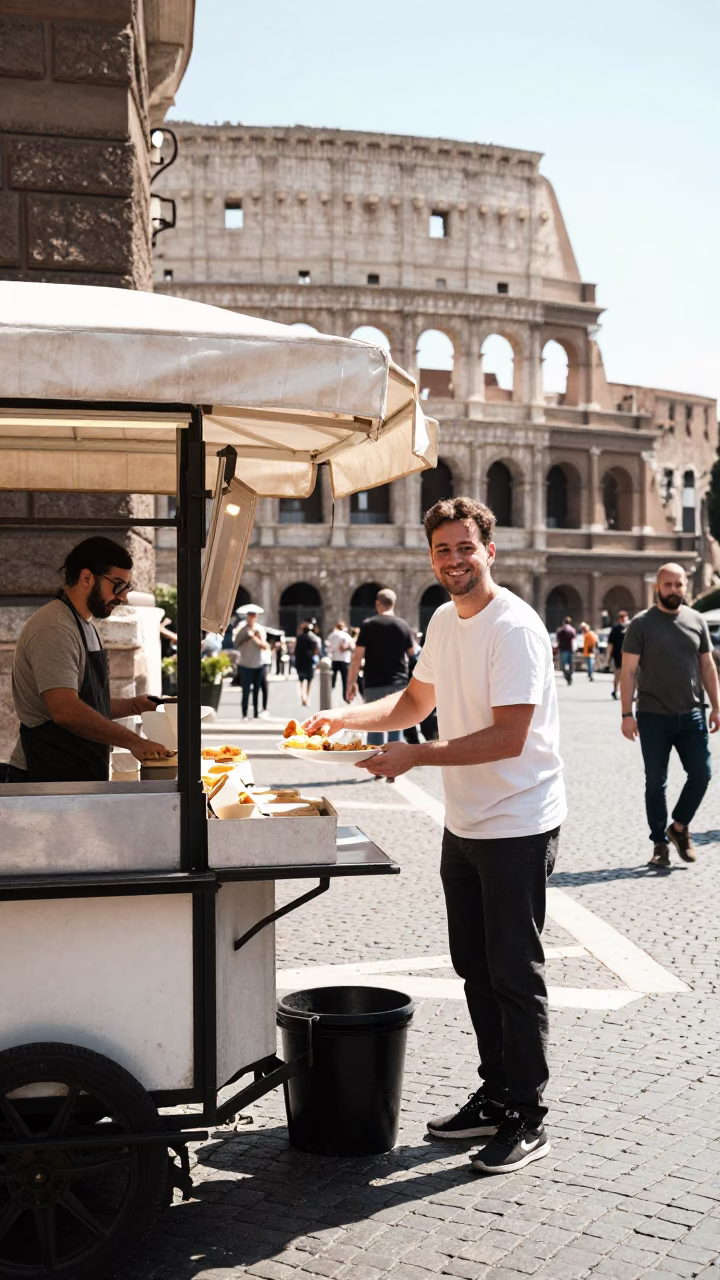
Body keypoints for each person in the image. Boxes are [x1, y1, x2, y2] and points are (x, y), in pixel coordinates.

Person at [306, 497, 565, 1175]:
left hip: (518, 818)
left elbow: (509, 738)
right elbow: (414, 703)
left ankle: (528, 1115)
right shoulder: (446, 620)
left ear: (490, 551)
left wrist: (415, 755)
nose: (454, 560)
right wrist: (345, 717)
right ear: (431, 559)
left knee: (514, 970)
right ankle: (496, 1094)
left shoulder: (515, 628)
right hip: (466, 821)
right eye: (443, 550)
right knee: (474, 966)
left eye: (465, 548)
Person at [7, 537, 175, 783]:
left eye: (127, 587)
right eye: (118, 585)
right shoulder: (54, 627)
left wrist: (134, 705)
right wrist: (134, 743)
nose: (123, 597)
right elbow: (66, 710)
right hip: (45, 775)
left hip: (76, 770)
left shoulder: (86, 626)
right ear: (87, 578)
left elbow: (88, 702)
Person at [621, 562, 720, 869]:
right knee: (656, 783)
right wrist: (626, 713)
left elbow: (707, 666)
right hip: (653, 716)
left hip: (691, 714)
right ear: (657, 587)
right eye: (668, 585)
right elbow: (628, 672)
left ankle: (678, 827)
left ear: (685, 587)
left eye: (679, 585)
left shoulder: (696, 620)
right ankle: (659, 844)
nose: (674, 590)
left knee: (702, 775)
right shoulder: (641, 624)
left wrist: (716, 705)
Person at [346, 589, 415, 759]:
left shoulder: (368, 625)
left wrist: (351, 683)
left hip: (373, 682)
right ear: (394, 604)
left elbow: (357, 657)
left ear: (377, 603)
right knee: (396, 724)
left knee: (374, 724)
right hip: (398, 682)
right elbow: (413, 654)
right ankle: (394, 765)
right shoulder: (403, 625)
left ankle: (376, 766)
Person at [232, 609, 269, 720]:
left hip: (258, 664)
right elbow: (236, 644)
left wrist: (253, 637)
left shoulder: (260, 629)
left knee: (257, 690)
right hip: (245, 664)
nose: (252, 617)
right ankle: (244, 713)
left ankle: (256, 713)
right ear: (247, 616)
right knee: (245, 691)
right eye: (250, 615)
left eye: (254, 615)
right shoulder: (242, 630)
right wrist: (246, 636)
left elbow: (264, 646)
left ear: (256, 616)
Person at [325, 620, 354, 700]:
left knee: (332, 680)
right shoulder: (346, 635)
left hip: (334, 659)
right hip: (344, 660)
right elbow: (352, 646)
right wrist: (345, 648)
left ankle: (328, 695)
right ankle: (345, 697)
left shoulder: (331, 635)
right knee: (345, 680)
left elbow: (328, 648)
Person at [294, 621, 321, 706]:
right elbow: (316, 650)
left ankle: (303, 697)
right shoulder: (312, 637)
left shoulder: (299, 637)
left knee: (301, 681)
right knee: (309, 681)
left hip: (300, 661)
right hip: (309, 661)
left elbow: (296, 650)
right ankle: (307, 697)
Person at [608, 608, 630, 699]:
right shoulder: (628, 628)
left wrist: (608, 657)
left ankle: (617, 691)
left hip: (624, 654)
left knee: (621, 673)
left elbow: (610, 644)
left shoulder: (617, 628)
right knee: (621, 673)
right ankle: (617, 690)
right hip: (622, 654)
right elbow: (610, 644)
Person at [555, 616, 576, 685]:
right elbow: (574, 639)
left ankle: (567, 676)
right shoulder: (572, 630)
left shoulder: (560, 630)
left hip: (563, 649)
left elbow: (557, 639)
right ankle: (569, 675)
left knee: (563, 666)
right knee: (570, 665)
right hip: (570, 649)